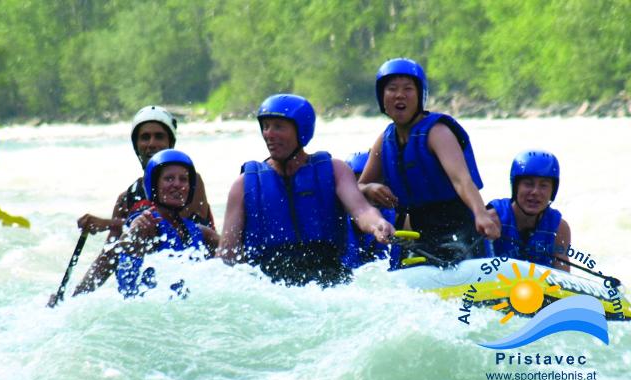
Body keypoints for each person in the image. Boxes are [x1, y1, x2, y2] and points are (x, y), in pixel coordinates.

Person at [217, 94, 394, 287]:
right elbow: (227, 253)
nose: (269, 133)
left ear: (301, 130)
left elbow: (361, 210)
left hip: (328, 278)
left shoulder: (335, 170)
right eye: (266, 126)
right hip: (269, 285)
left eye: (278, 126)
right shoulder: (243, 185)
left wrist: (377, 224)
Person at [49, 106, 214, 305]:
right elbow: (109, 256)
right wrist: (73, 301)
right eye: (145, 137)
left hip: (195, 286)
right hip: (154, 294)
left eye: (159, 136)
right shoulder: (127, 198)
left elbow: (169, 223)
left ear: (170, 142)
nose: (151, 144)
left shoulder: (188, 183)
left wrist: (107, 224)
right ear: (136, 145)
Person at [358, 58, 499, 264]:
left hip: (458, 226)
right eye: (392, 89)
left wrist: (481, 214)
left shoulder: (437, 132)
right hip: (417, 232)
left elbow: (462, 180)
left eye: (408, 88)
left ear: (419, 95)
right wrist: (370, 188)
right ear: (382, 97)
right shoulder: (385, 140)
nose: (399, 95)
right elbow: (359, 188)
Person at [116, 149, 218, 298]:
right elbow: (125, 242)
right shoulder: (147, 223)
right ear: (154, 185)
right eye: (169, 178)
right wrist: (133, 234)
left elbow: (234, 253)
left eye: (183, 179)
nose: (177, 184)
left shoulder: (199, 231)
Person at [487, 150, 571, 271]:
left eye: (543, 185)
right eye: (528, 184)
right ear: (516, 187)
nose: (535, 192)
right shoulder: (492, 220)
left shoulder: (559, 229)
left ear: (552, 191)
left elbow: (563, 276)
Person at [342, 151, 396, 267]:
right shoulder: (335, 221)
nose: (372, 193)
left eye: (376, 181)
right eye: (355, 183)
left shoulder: (398, 218)